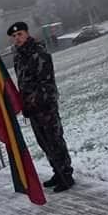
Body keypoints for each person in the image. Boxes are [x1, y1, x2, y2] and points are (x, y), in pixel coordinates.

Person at [9, 21, 75, 193]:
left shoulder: (39, 53)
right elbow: (23, 84)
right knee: (44, 143)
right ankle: (57, 172)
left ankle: (66, 175)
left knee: (55, 140)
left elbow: (46, 83)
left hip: (45, 106)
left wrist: (35, 102)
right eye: (14, 36)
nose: (17, 38)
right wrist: (25, 103)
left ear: (27, 33)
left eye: (20, 34)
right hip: (32, 109)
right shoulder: (19, 57)